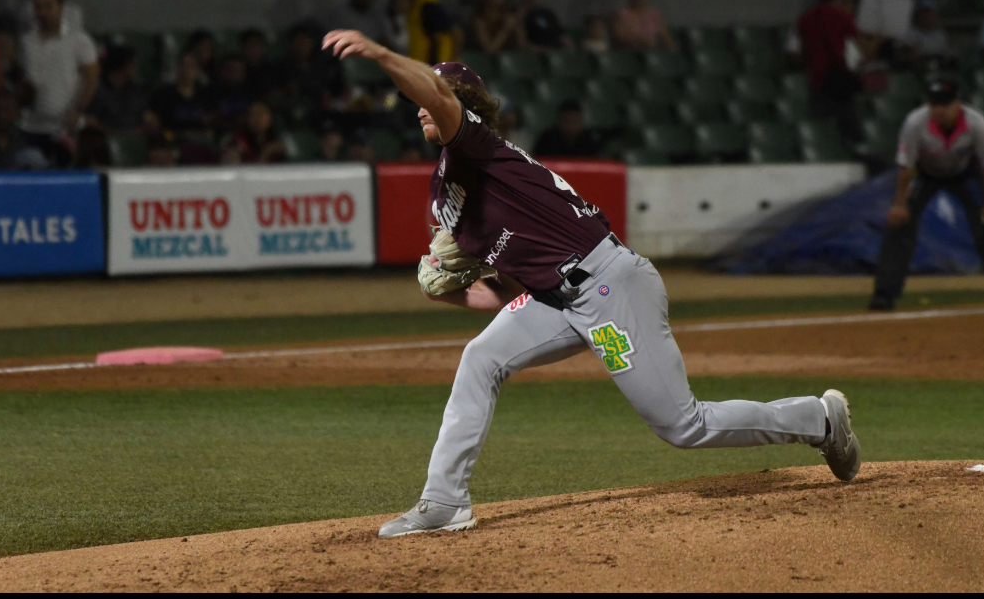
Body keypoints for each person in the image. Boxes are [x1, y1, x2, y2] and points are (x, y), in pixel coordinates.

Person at [321, 28, 863, 539]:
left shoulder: (477, 148)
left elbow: (437, 95)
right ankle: (444, 501)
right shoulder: (449, 189)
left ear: (467, 106)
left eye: (432, 96)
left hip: (608, 288)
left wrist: (379, 54)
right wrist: (451, 290)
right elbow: (512, 288)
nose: (420, 107)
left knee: (682, 425)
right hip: (557, 298)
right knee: (481, 359)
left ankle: (817, 418)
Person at [869, 80, 984, 311]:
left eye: (945, 104)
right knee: (900, 225)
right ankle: (884, 295)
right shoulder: (915, 123)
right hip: (925, 173)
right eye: (934, 104)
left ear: (958, 104)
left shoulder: (978, 124)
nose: (939, 110)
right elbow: (906, 167)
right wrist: (899, 204)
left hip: (965, 173)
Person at [17, 0, 99, 164]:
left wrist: (78, 109)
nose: (43, 12)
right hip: (31, 125)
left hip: (64, 128)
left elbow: (92, 77)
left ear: (61, 8)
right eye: (38, 7)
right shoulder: (26, 42)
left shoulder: (79, 40)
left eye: (48, 6)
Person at [797, 0, 870, 144]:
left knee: (820, 129)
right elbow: (862, 46)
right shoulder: (840, 15)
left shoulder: (806, 18)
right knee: (849, 128)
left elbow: (804, 52)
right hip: (838, 79)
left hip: (817, 80)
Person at [145, 51, 214, 136]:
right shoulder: (163, 94)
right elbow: (153, 121)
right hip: (170, 140)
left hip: (198, 142)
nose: (186, 70)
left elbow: (210, 122)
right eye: (182, 65)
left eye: (190, 66)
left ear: (198, 70)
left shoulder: (205, 95)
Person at [87, 45, 148, 133]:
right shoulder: (96, 89)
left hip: (135, 139)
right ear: (124, 65)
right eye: (133, 63)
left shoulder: (135, 91)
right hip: (104, 139)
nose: (135, 67)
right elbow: (91, 121)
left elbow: (144, 115)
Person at [220, 101, 287, 164]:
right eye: (253, 114)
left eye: (261, 113)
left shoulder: (280, 138)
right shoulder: (237, 140)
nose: (257, 118)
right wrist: (266, 153)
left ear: (270, 117)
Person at [533, 100, 601, 158]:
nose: (570, 127)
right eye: (566, 121)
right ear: (559, 121)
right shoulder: (547, 139)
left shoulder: (588, 141)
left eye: (574, 121)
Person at [899, 0, 952, 70]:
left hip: (939, 68)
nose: (928, 18)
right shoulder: (911, 34)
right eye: (924, 15)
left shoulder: (940, 35)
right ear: (918, 16)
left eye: (930, 15)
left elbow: (946, 55)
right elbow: (909, 56)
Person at [407, 0, 457, 64]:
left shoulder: (429, 7)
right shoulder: (417, 6)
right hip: (419, 64)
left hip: (433, 65)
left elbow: (456, 34)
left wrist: (434, 64)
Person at [239, 28, 276, 102]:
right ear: (242, 48)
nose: (252, 50)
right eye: (249, 46)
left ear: (264, 48)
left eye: (255, 45)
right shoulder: (237, 69)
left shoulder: (273, 70)